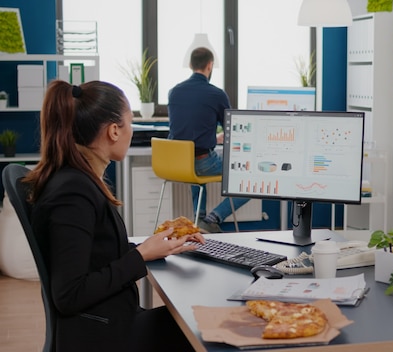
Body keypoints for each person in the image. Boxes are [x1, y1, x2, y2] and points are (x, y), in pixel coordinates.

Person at [24, 80, 205, 351]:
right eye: (131, 123)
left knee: (195, 321)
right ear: (113, 131)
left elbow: (97, 256)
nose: (132, 131)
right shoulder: (73, 193)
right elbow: (69, 295)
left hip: (110, 322)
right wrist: (140, 256)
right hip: (103, 336)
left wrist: (159, 248)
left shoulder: (77, 179)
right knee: (202, 330)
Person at [168, 47, 249, 233]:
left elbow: (186, 131)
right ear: (210, 65)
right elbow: (231, 128)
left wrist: (213, 137)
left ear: (190, 65)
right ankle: (214, 218)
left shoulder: (174, 92)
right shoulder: (216, 94)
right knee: (247, 179)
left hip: (179, 162)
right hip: (201, 161)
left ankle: (200, 220)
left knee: (198, 170)